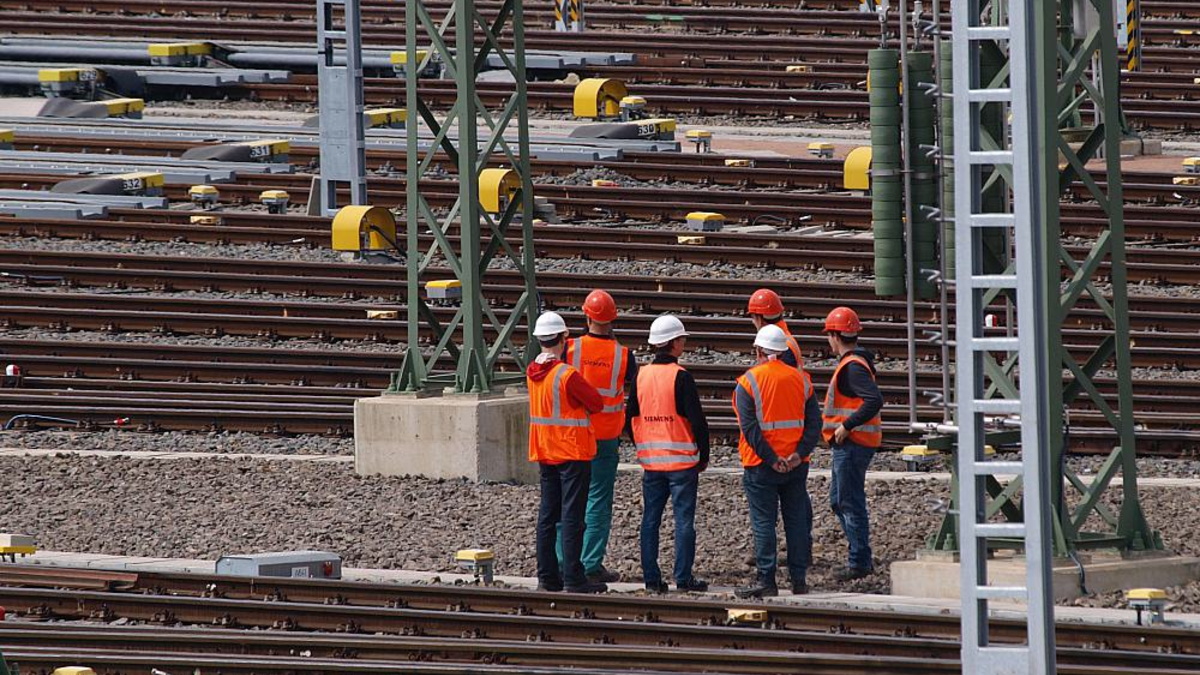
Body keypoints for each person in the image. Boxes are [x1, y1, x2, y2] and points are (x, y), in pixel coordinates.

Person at [732, 324, 822, 598]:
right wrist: (796, 455)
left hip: (761, 465)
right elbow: (814, 424)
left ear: (758, 350)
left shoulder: (748, 382)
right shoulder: (802, 380)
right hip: (796, 465)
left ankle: (767, 579)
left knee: (764, 522)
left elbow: (750, 429)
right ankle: (799, 581)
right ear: (783, 352)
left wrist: (772, 459)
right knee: (795, 521)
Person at [556, 290, 638, 583]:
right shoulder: (624, 355)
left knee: (567, 499)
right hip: (605, 438)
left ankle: (562, 560)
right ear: (613, 318)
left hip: (574, 436)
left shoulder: (570, 349)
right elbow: (634, 393)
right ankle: (590, 564)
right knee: (598, 501)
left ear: (586, 316)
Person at [626, 314, 710, 594]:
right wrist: (704, 455)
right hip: (682, 463)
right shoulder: (681, 377)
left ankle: (652, 580)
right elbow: (697, 421)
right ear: (674, 343)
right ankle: (683, 579)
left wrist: (643, 448)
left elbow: (630, 418)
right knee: (683, 521)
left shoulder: (641, 375)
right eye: (682, 338)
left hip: (652, 463)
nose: (684, 342)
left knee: (650, 520)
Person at [526, 311, 607, 594]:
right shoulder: (566, 374)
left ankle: (547, 577)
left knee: (548, 516)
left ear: (539, 340)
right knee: (572, 516)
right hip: (572, 452)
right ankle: (574, 578)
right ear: (564, 339)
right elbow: (596, 403)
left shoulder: (532, 372)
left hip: (545, 450)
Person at [821, 306, 884, 582]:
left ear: (835, 335)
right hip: (853, 445)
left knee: (849, 502)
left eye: (829, 335)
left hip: (853, 445)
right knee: (839, 500)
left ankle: (859, 561)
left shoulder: (852, 368)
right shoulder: (856, 363)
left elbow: (874, 400)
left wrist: (846, 426)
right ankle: (860, 554)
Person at [747, 288, 804, 368]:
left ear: (759, 320)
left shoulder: (777, 344)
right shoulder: (784, 338)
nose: (753, 322)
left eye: (753, 317)